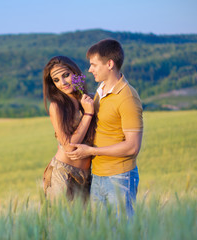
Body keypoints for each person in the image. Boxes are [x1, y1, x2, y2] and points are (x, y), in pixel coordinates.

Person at [66, 39, 143, 215]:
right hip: (98, 175)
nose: (89, 69)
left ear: (109, 64)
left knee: (120, 232)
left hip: (120, 177)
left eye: (93, 65)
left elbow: (132, 147)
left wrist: (90, 151)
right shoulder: (100, 91)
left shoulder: (128, 97)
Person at [42, 56, 96, 201]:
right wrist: (88, 113)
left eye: (66, 75)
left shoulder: (90, 98)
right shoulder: (57, 106)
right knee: (59, 222)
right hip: (63, 174)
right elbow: (69, 147)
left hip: (88, 176)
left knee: (84, 223)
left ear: (75, 73)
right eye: (56, 80)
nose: (63, 82)